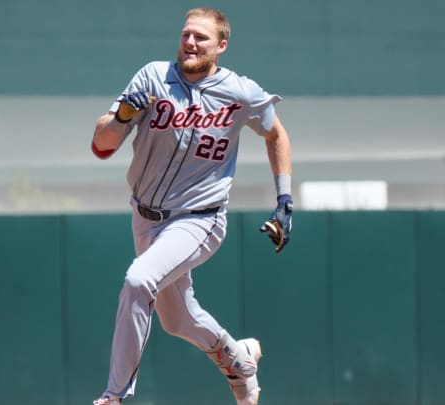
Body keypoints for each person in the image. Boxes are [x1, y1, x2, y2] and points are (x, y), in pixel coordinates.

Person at [90, 8, 293, 405]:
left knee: (137, 281)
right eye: (186, 34)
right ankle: (239, 359)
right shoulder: (152, 77)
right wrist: (121, 117)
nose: (190, 42)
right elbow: (102, 145)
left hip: (199, 219)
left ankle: (114, 396)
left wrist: (284, 198)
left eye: (201, 37)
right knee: (177, 319)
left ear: (221, 46)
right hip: (145, 218)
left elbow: (276, 134)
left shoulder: (240, 92)